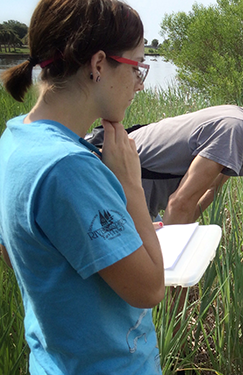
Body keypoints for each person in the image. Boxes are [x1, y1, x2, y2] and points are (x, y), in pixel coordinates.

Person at [0, 0, 164, 373]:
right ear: (99, 64)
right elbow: (150, 289)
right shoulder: (69, 167)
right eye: (137, 67)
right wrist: (131, 187)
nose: (139, 84)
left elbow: (16, 253)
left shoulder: (15, 139)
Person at [126, 67, 243, 224]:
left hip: (140, 205)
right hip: (112, 183)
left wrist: (185, 232)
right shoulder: (236, 128)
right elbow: (180, 203)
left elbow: (210, 190)